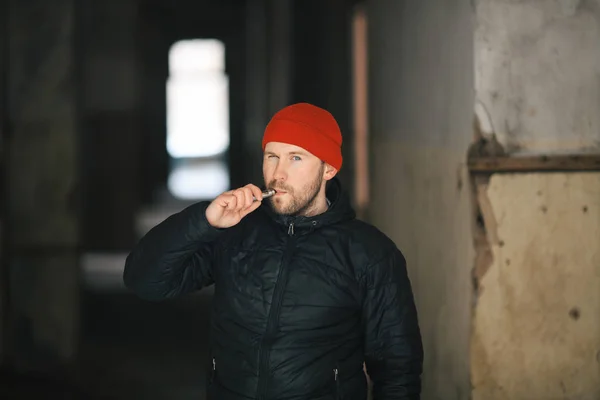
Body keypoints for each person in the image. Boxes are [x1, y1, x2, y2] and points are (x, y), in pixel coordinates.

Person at [123, 102, 423, 399]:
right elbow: (145, 281)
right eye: (271, 156)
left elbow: (397, 370)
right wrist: (203, 221)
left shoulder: (370, 253)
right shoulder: (236, 232)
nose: (278, 173)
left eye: (295, 158)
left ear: (328, 168)